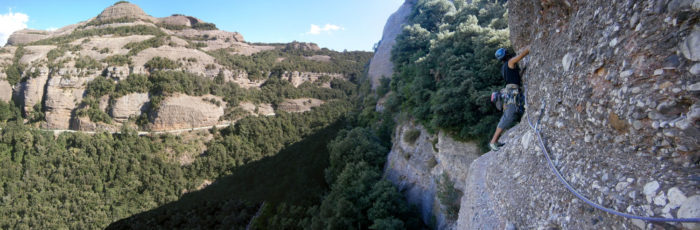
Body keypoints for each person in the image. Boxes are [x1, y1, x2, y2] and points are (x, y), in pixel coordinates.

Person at [489, 47, 530, 151]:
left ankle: (495, 141)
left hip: (510, 91)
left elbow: (513, 78)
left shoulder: (504, 67)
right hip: (512, 93)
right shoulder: (510, 62)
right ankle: (493, 142)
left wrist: (522, 72)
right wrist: (529, 48)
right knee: (508, 117)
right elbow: (521, 56)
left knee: (513, 114)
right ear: (507, 55)